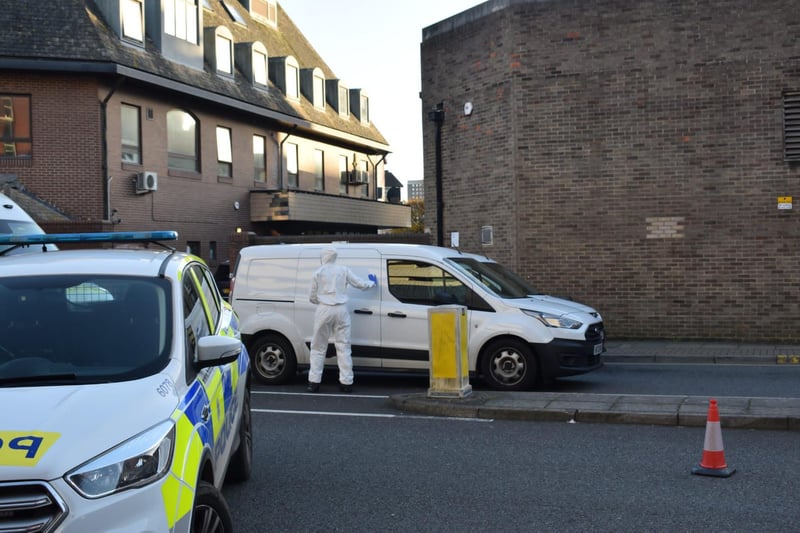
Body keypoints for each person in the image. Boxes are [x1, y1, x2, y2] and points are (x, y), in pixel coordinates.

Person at [307, 247, 376, 393]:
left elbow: (312, 296)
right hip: (341, 309)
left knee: (318, 347)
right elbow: (358, 283)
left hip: (324, 309)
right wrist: (371, 283)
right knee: (343, 347)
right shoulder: (343, 270)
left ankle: (314, 382)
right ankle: (346, 383)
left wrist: (320, 302)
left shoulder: (318, 272)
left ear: (323, 257)